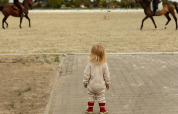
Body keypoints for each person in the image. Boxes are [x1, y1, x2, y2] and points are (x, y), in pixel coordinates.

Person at [83, 43, 111, 114]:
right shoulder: (104, 64)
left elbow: (86, 74)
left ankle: (90, 109)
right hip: (101, 85)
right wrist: (108, 83)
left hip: (92, 85)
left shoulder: (90, 63)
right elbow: (107, 75)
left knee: (91, 96)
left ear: (92, 53)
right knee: (101, 97)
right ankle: (102, 110)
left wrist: (85, 82)